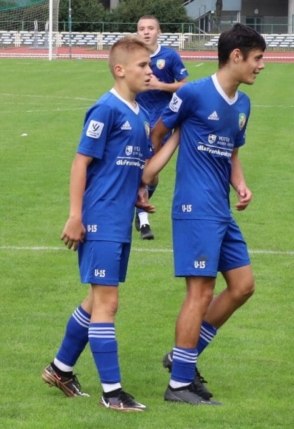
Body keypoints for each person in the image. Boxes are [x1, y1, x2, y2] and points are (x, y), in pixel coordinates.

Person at [143, 23, 265, 405]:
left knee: (243, 286)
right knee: (200, 292)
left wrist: (240, 185)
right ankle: (179, 385)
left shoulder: (243, 104)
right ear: (236, 56)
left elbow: (231, 153)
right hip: (194, 207)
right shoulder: (193, 93)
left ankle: (183, 357)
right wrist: (146, 181)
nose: (262, 65)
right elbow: (157, 133)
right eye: (258, 58)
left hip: (220, 209)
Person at [42, 36, 154, 412]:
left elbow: (126, 167)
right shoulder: (106, 109)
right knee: (108, 303)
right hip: (100, 218)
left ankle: (60, 369)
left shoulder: (140, 114)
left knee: (95, 301)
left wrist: (139, 193)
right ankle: (113, 393)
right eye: (143, 66)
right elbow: (81, 163)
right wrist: (76, 216)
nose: (150, 71)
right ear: (120, 70)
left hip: (119, 220)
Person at [133, 15, 189, 239]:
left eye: (150, 28)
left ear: (159, 32)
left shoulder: (170, 56)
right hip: (138, 120)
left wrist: (160, 85)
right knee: (141, 169)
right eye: (141, 29)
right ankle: (143, 220)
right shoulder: (133, 56)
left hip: (162, 123)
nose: (146, 32)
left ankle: (138, 209)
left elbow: (185, 86)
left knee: (152, 174)